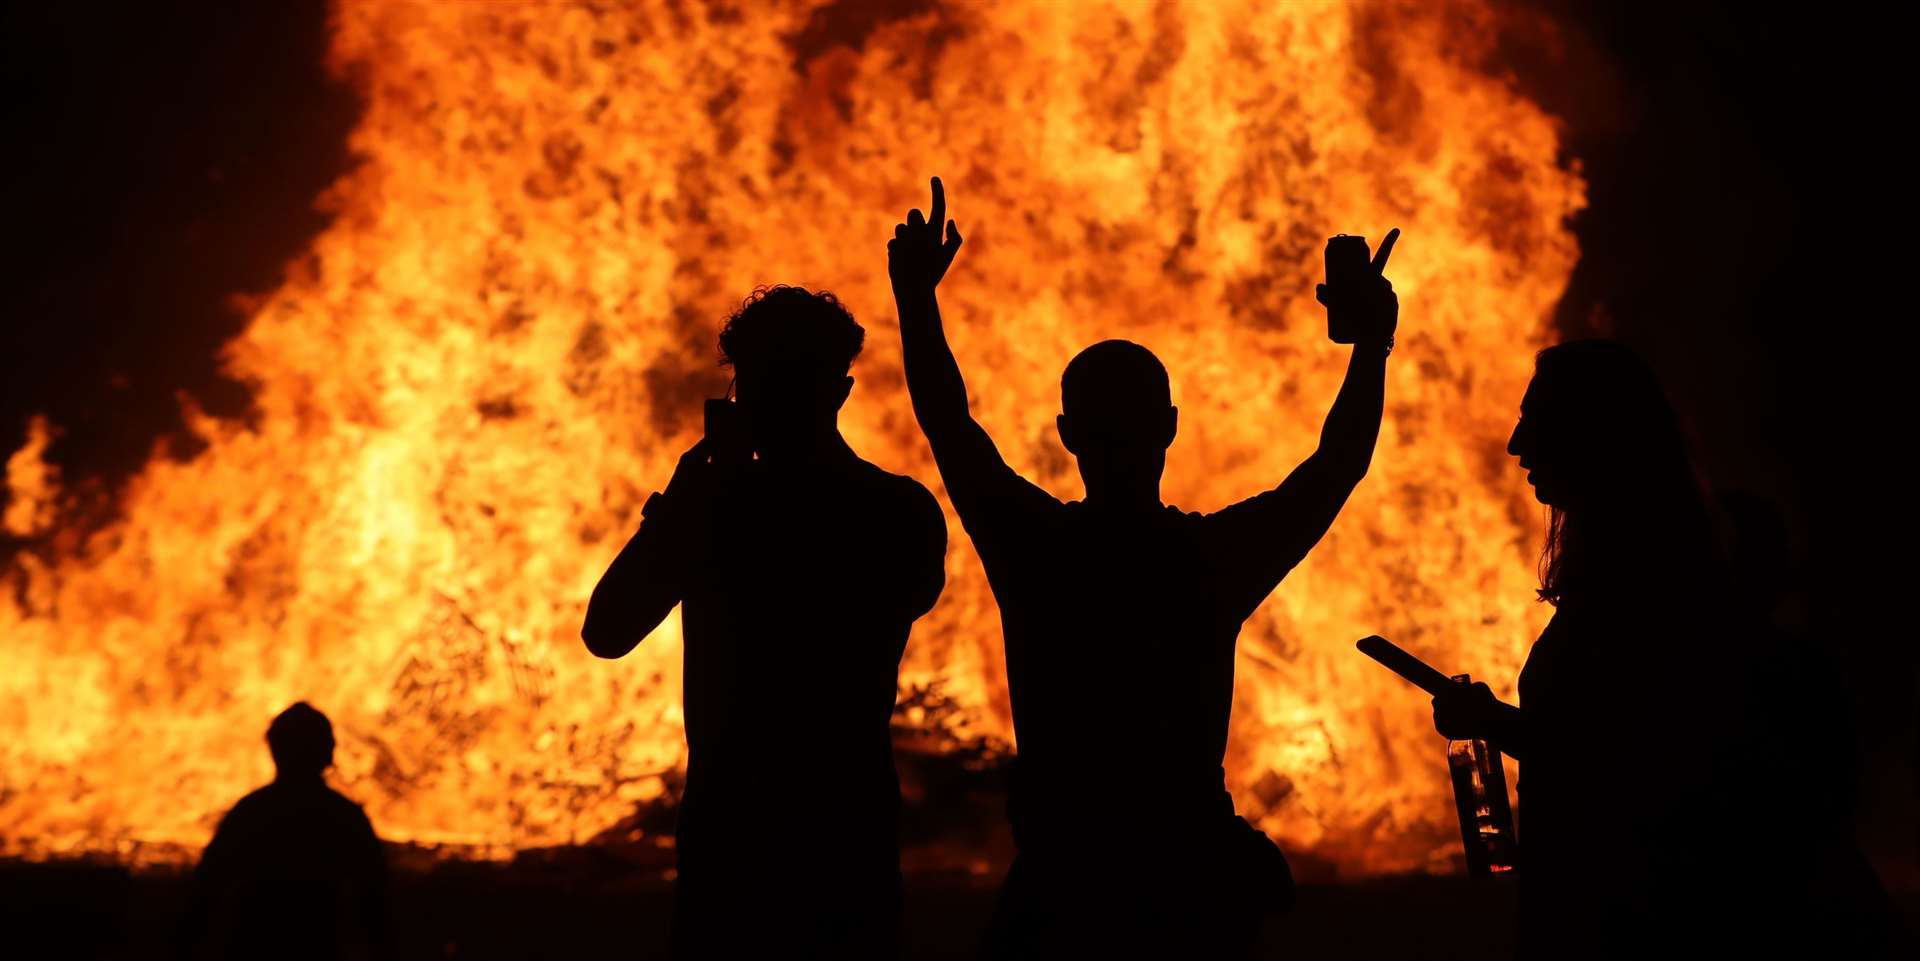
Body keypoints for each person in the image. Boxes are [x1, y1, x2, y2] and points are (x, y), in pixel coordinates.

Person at [886, 177, 1400, 957]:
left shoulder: (1037, 549)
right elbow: (1335, 468)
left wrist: (917, 299)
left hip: (1064, 891)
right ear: (1169, 428)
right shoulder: (1207, 559)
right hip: (1189, 891)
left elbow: (949, 422)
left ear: (1066, 434)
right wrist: (1371, 346)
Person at [1430, 340, 1904, 959]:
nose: (1517, 445)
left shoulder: (1654, 580)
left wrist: (1494, 725)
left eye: (1536, 422)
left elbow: (1637, 758)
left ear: (1593, 434)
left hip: (1652, 917)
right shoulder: (1638, 571)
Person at [582, 286, 947, 960]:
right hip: (842, 839)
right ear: (840, 390)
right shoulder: (898, 511)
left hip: (743, 844)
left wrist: (683, 506)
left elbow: (609, 629)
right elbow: (606, 631)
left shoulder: (722, 511)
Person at [174, 702, 391, 961]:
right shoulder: (344, 817)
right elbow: (376, 905)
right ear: (328, 752)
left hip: (254, 946)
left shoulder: (250, 813)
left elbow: (205, 893)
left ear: (274, 750)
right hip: (320, 946)